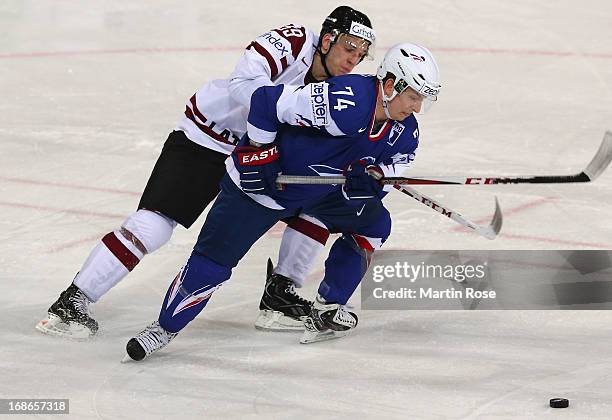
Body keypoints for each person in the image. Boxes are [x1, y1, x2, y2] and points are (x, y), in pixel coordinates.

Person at [35, 6, 376, 339]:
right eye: (349, 48)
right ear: (328, 39)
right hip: (211, 138)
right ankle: (73, 300)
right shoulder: (295, 41)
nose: (353, 59)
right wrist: (279, 114)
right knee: (154, 225)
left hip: (266, 155)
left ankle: (279, 296)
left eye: (361, 54)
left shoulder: (344, 88)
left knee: (316, 211)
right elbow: (244, 82)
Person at [124, 42, 442, 360]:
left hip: (318, 192)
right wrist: (259, 155)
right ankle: (163, 329)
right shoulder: (344, 101)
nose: (416, 107)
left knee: (374, 222)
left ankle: (327, 308)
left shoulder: (405, 132)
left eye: (422, 99)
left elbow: (391, 171)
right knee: (212, 265)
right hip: (263, 189)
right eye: (414, 96)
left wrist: (369, 181)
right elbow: (265, 101)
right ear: (389, 85)